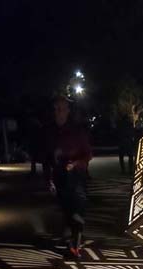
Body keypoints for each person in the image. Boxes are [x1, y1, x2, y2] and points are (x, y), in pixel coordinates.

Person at [43, 95, 92, 257]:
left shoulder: (77, 131)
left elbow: (88, 155)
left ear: (68, 111)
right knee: (67, 210)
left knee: (77, 210)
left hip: (76, 176)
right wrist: (49, 179)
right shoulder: (50, 132)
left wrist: (74, 163)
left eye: (62, 109)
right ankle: (73, 237)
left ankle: (75, 244)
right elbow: (46, 159)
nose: (59, 112)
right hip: (59, 177)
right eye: (56, 109)